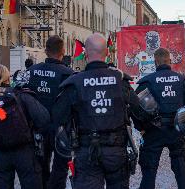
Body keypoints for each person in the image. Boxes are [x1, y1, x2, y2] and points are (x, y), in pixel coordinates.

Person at [52, 33, 140, 189]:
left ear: (85, 54)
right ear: (107, 53)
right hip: (116, 151)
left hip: (86, 151)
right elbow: (139, 110)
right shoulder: (120, 80)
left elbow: (57, 117)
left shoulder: (75, 83)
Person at [133, 48, 185, 189]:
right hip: (177, 130)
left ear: (155, 62)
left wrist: (141, 128)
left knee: (149, 172)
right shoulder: (182, 80)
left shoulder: (147, 81)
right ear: (169, 61)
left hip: (153, 131)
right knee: (181, 171)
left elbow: (135, 107)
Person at [0, 64, 50, 189]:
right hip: (25, 151)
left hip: (0, 154)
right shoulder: (21, 95)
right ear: (8, 79)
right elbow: (44, 119)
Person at [27, 35, 74, 189]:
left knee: (40, 166)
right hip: (60, 129)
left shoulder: (32, 71)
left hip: (36, 128)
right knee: (60, 168)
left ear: (46, 51)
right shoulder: (69, 74)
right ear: (63, 51)